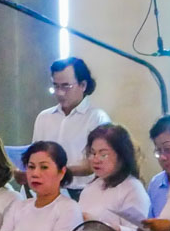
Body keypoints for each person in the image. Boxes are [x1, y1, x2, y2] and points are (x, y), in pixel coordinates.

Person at [29, 57, 111, 196]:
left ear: (83, 85)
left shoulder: (96, 118)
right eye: (56, 86)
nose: (60, 92)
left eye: (66, 86)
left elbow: (95, 164)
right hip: (47, 192)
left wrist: (59, 171)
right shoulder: (44, 117)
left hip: (82, 192)